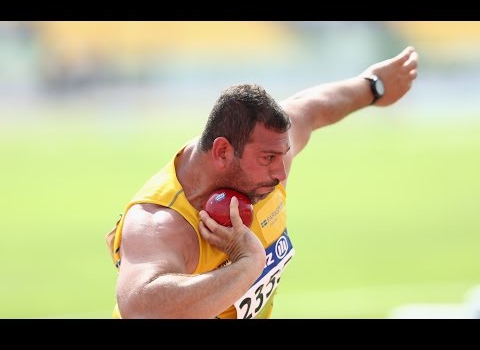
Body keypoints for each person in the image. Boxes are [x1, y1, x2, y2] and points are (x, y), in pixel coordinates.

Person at [105, 46, 419, 319]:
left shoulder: (269, 155)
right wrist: (247, 265)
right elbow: (139, 307)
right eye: (268, 159)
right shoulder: (160, 222)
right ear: (223, 151)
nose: (282, 173)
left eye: (283, 155)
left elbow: (312, 106)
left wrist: (373, 86)